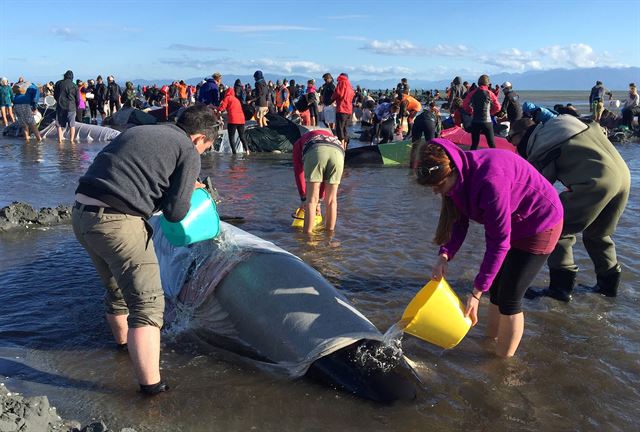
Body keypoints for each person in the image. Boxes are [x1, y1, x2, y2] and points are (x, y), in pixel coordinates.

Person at [72, 104, 217, 395]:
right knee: (148, 306)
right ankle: (151, 389)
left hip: (81, 214)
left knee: (117, 290)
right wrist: (191, 191)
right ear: (199, 138)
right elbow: (176, 213)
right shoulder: (187, 150)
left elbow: (132, 175)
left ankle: (125, 349)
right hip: (118, 223)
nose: (202, 153)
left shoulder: (143, 130)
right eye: (207, 148)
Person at [417, 139, 563, 357]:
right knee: (496, 289)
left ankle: (502, 365)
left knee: (510, 297)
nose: (436, 192)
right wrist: (444, 255)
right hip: (514, 221)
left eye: (439, 186)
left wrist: (476, 292)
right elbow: (458, 222)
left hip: (540, 223)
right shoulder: (456, 180)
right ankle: (489, 342)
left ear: (452, 171)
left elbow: (498, 243)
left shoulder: (490, 182)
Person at [509, 115, 631, 301]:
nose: (512, 143)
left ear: (523, 134)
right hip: (623, 177)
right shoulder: (563, 122)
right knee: (598, 234)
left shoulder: (541, 143)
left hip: (595, 183)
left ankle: (560, 290)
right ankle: (608, 288)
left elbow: (540, 188)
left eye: (512, 138)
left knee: (556, 228)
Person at [292, 129, 344, 235]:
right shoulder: (329, 135)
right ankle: (330, 236)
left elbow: (299, 172)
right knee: (331, 201)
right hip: (338, 151)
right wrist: (320, 201)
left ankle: (308, 240)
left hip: (316, 149)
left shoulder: (298, 143)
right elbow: (324, 178)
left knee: (311, 201)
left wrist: (303, 198)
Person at [462, 75, 501, 150]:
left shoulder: (473, 93)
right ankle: (495, 159)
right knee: (491, 144)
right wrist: (490, 112)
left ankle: (471, 160)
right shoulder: (490, 93)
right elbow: (498, 107)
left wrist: (470, 111)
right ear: (487, 83)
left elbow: (465, 104)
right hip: (487, 121)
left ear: (479, 82)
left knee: (474, 144)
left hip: (476, 121)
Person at [217, 87, 249, 154]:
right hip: (241, 119)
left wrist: (214, 107)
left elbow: (221, 108)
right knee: (242, 136)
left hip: (233, 120)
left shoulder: (227, 98)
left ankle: (234, 153)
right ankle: (247, 151)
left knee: (231, 137)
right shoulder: (236, 99)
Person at [53, 70, 78, 143]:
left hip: (60, 106)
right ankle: (71, 140)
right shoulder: (74, 85)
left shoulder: (58, 83)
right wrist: (76, 105)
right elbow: (78, 98)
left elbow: (55, 95)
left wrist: (58, 100)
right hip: (71, 107)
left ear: (64, 76)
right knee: (72, 124)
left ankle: (60, 140)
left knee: (59, 124)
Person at [331, 73, 354, 148]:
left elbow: (338, 93)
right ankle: (345, 146)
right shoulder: (350, 85)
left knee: (339, 128)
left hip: (342, 109)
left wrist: (332, 98)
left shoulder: (341, 82)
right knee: (345, 128)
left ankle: (341, 147)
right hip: (349, 110)